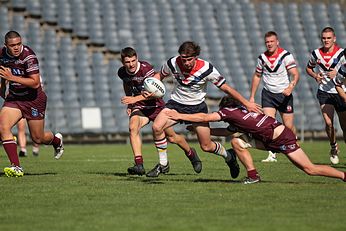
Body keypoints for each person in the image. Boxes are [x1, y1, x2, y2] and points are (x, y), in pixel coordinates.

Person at [165, 96, 346, 184]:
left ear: (225, 108)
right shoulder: (240, 113)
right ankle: (253, 176)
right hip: (269, 137)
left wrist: (179, 115)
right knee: (237, 142)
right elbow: (228, 133)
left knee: (310, 169)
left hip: (281, 137)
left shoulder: (228, 112)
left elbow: (204, 117)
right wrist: (209, 131)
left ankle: (343, 176)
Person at [148, 41, 262, 178]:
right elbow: (160, 75)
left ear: (196, 57)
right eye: (184, 59)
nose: (186, 63)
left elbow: (226, 88)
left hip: (197, 108)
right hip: (175, 104)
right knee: (156, 127)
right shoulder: (173, 63)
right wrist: (151, 86)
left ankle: (229, 156)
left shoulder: (207, 69)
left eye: (190, 59)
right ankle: (163, 163)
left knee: (206, 146)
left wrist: (246, 103)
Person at [118, 47, 202, 176]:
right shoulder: (122, 72)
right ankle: (139, 164)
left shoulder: (146, 69)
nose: (131, 64)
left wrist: (134, 98)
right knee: (133, 127)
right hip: (140, 107)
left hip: (156, 106)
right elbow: (127, 84)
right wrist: (130, 104)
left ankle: (191, 154)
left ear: (137, 58)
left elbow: (156, 93)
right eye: (128, 62)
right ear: (123, 62)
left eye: (133, 61)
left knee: (172, 138)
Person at [0, 31, 64, 177]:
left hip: (33, 99)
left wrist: (12, 77)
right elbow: (3, 71)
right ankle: (16, 167)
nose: (16, 47)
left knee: (37, 138)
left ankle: (56, 140)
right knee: (3, 127)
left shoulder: (29, 56)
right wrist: (3, 87)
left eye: (18, 44)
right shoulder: (2, 54)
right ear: (6, 46)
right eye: (12, 45)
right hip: (15, 98)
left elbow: (35, 83)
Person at [249, 31, 300, 163]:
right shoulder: (262, 58)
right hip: (268, 94)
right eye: (267, 42)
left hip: (284, 95)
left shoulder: (286, 56)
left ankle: (294, 145)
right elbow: (257, 76)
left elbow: (295, 74)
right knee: (269, 125)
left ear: (277, 42)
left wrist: (291, 87)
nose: (269, 44)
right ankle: (272, 154)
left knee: (288, 126)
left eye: (272, 41)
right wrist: (252, 97)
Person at [306, 27, 346, 165]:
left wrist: (338, 73)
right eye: (324, 38)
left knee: (344, 126)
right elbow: (309, 68)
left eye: (329, 38)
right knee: (329, 123)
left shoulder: (341, 53)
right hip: (324, 92)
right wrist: (315, 75)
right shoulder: (316, 54)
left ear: (334, 38)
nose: (326, 40)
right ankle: (333, 146)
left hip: (340, 92)